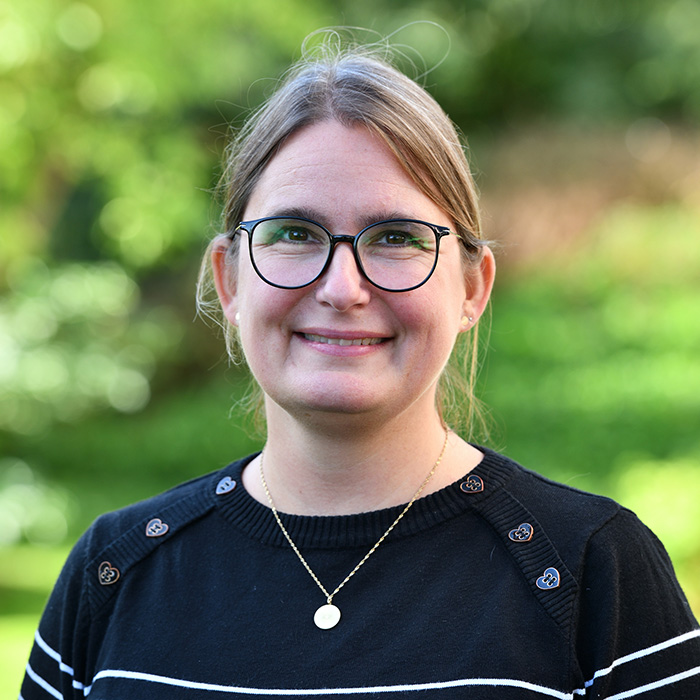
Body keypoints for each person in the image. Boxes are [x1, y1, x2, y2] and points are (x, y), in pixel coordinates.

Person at [21, 40, 700, 700]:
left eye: (396, 238)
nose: (342, 288)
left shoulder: (591, 571)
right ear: (229, 281)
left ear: (472, 287)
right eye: (294, 233)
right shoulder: (114, 572)